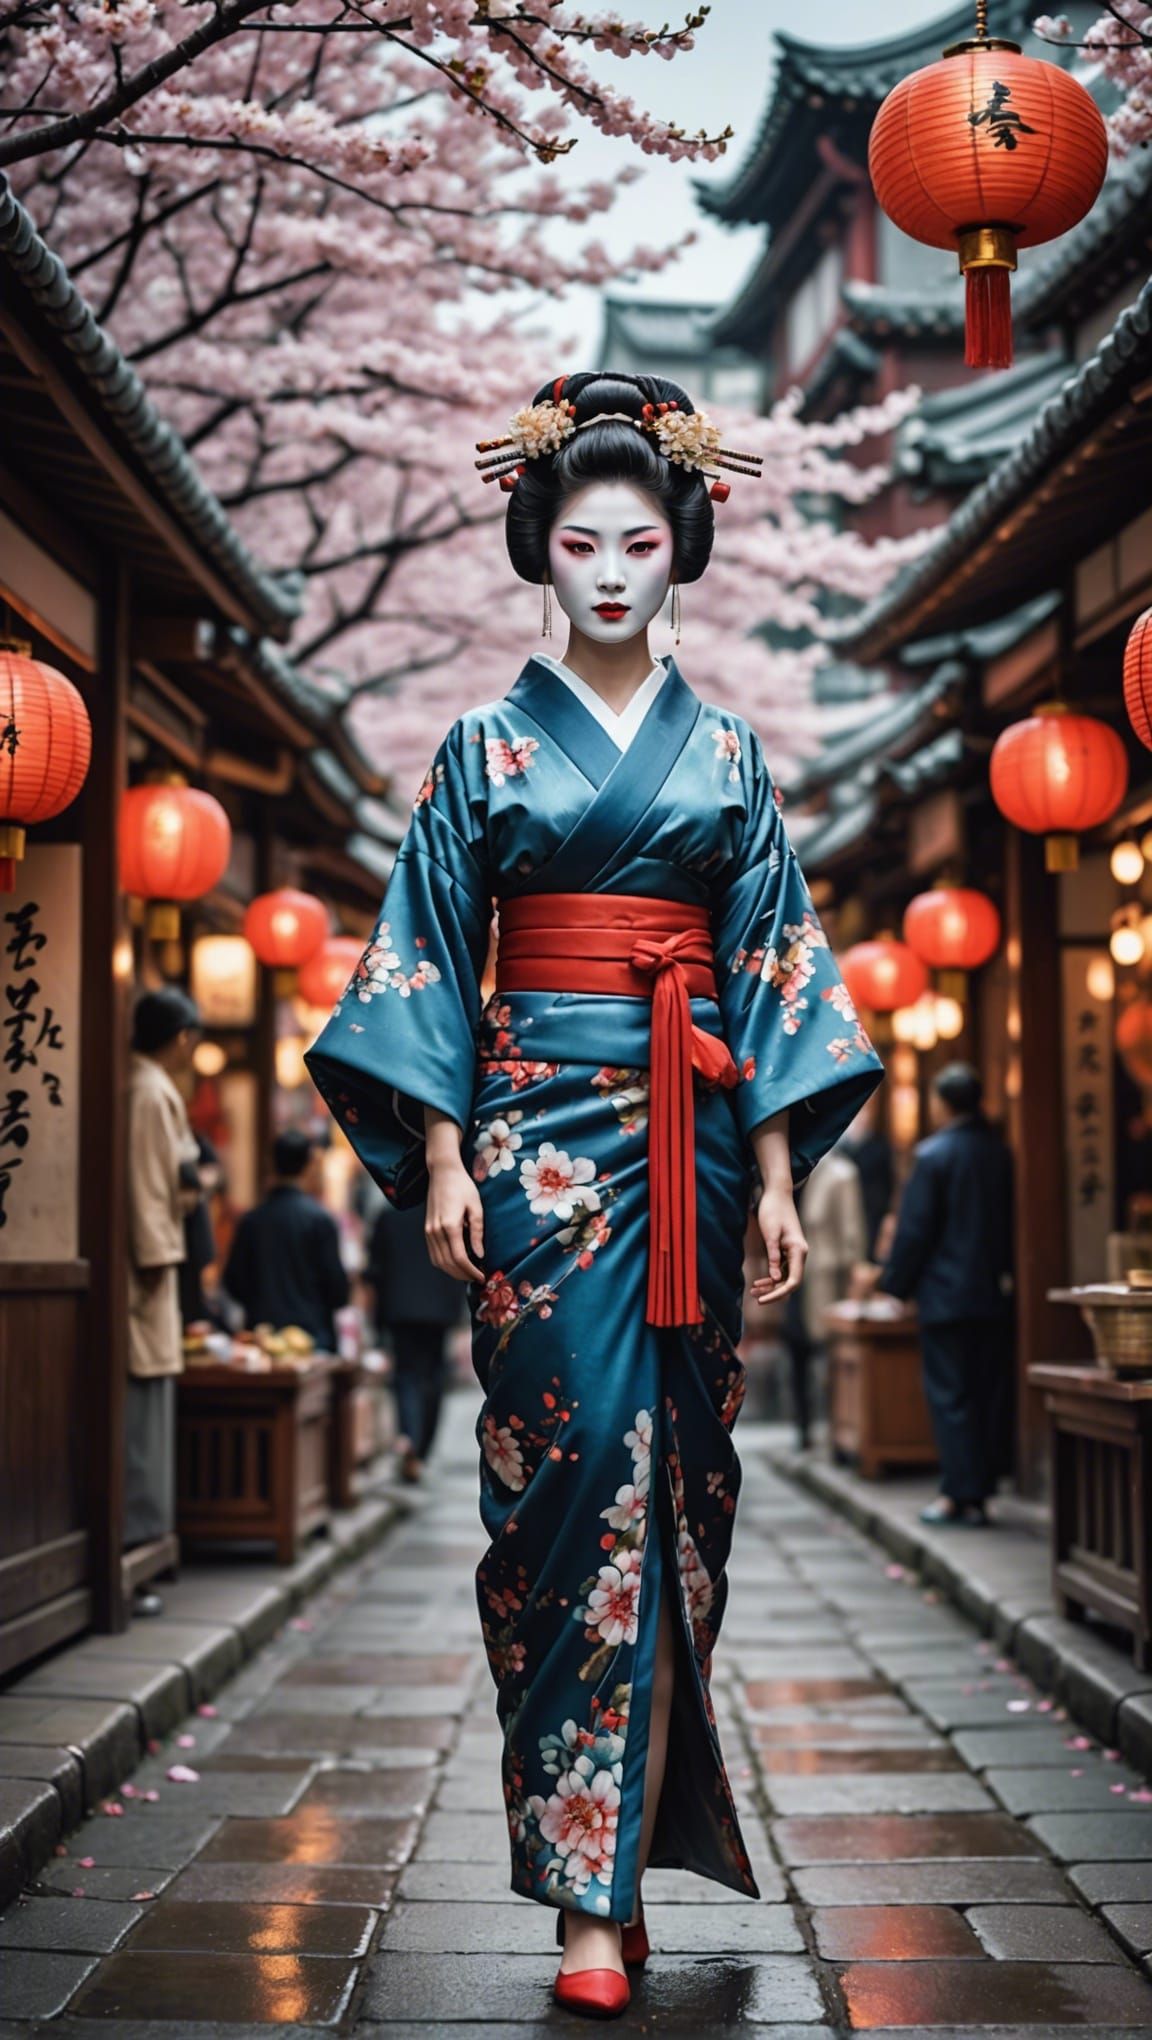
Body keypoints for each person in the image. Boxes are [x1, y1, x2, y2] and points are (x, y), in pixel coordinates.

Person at [306, 370, 883, 2018]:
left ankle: (623, 1861)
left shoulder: (727, 752)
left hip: (695, 1142)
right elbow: (423, 952)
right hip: (536, 1144)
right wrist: (433, 1151)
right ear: (534, 555)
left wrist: (773, 1170)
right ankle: (580, 1892)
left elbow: (775, 968)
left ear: (681, 548)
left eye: (640, 541)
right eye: (579, 543)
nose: (613, 572)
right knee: (559, 1490)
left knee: (680, 1486)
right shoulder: (480, 749)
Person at [880, 1061, 1014, 1527]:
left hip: (946, 1295)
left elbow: (915, 1230)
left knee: (952, 1397)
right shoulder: (999, 1151)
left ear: (942, 1103)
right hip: (994, 1293)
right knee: (986, 1393)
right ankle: (982, 1489)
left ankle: (960, 1493)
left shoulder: (934, 1155)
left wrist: (895, 1283)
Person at [126, 987, 203, 1615]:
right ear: (181, 1038)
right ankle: (137, 1554)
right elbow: (148, 1188)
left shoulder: (142, 1085)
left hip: (150, 1271)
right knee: (139, 1421)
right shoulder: (149, 1091)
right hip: (146, 1276)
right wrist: (158, 1266)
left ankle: (144, 1551)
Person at [223, 1130, 349, 1352]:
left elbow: (233, 1281)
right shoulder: (320, 1221)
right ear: (309, 1166)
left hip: (262, 1340)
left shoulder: (252, 1221)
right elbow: (338, 1291)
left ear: (271, 1163)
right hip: (312, 1339)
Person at [367, 1197, 463, 1482]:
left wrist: (378, 1317)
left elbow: (376, 1268)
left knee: (406, 1374)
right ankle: (421, 1448)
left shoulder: (389, 1214)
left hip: (400, 1308)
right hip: (439, 1308)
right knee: (433, 1377)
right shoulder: (449, 1209)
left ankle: (409, 1435)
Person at [784, 1145, 868, 1450]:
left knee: (830, 1357)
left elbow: (851, 1235)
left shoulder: (841, 1174)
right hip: (796, 1278)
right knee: (797, 1353)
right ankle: (804, 1429)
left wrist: (853, 1286)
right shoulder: (790, 1168)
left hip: (825, 1278)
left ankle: (837, 1434)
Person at [841, 1092, 894, 1261]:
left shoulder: (878, 1145)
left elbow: (887, 1182)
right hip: (846, 1202)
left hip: (871, 1205)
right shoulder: (841, 1145)